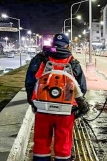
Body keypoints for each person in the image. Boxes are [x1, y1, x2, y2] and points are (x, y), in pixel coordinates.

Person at [25, 33, 89, 161]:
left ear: (53, 44)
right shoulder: (73, 62)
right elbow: (81, 89)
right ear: (68, 46)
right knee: (63, 145)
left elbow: (30, 83)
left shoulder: (40, 59)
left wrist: (33, 103)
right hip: (65, 112)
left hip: (43, 109)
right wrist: (76, 107)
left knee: (41, 143)